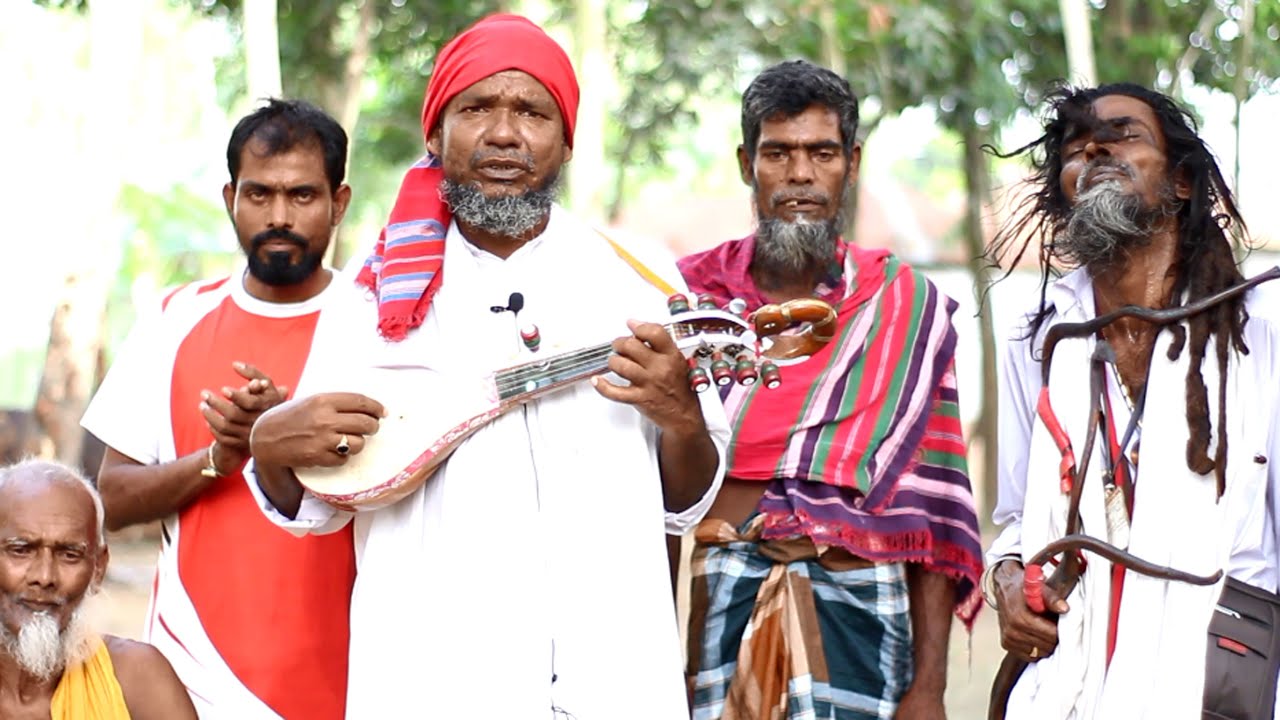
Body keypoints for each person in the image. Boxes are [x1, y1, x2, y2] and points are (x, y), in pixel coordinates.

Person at [246, 14, 730, 719]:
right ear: (436, 135)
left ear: (565, 139)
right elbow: (318, 504)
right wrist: (270, 454)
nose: (504, 134)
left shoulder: (639, 280)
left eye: (531, 111)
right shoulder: (370, 297)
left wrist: (682, 416)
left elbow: (688, 503)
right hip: (431, 684)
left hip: (612, 680)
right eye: (476, 109)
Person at [677, 59, 984, 720]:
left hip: (864, 613)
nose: (799, 176)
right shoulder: (690, 302)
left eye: (821, 153)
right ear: (745, 163)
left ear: (851, 161)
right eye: (777, 154)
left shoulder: (906, 306)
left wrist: (928, 687)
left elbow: (931, 505)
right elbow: (653, 495)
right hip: (718, 608)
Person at [985, 83, 1280, 718]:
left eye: (1124, 136)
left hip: (1208, 684)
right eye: (1076, 146)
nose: (1094, 151)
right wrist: (1006, 580)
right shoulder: (1030, 329)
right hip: (1062, 691)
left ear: (1179, 181)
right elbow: (1014, 518)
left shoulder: (1262, 326)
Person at [79, 99, 357, 718]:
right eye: (259, 195)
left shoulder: (382, 325)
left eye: (302, 196)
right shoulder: (173, 320)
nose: (279, 216)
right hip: (193, 679)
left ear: (338, 202)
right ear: (231, 197)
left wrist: (285, 447)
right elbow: (112, 501)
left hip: (356, 676)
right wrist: (222, 457)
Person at [0, 459, 196, 720]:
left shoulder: (137, 680)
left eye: (69, 555)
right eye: (21, 550)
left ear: (98, 568)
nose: (44, 577)